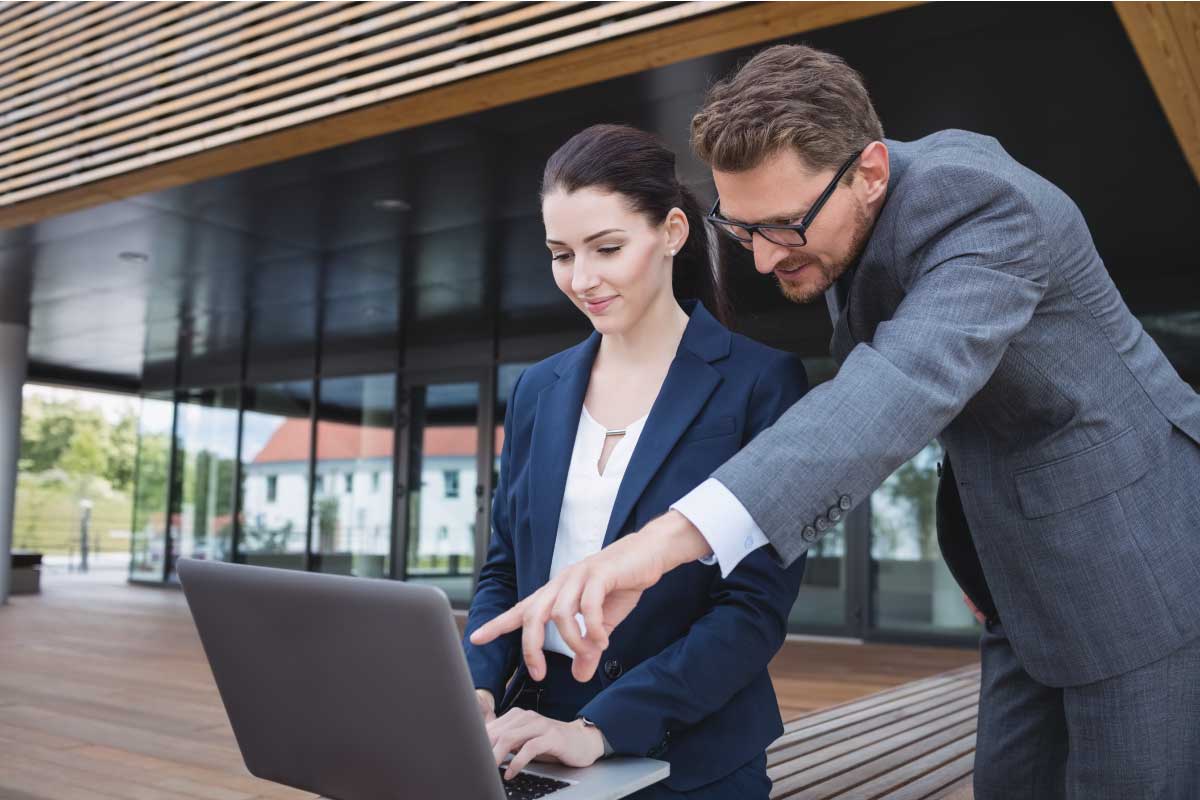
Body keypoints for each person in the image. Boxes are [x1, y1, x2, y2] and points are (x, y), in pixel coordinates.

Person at [472, 45, 1200, 798]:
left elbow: (897, 388)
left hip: (1139, 558)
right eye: (742, 228)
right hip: (1022, 587)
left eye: (782, 227)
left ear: (871, 172)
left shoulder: (985, 206)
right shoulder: (833, 222)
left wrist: (655, 547)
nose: (759, 259)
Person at [462, 123, 809, 798]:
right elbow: (506, 570)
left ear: (673, 231)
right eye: (560, 254)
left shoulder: (759, 383)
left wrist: (600, 729)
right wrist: (474, 690)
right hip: (532, 731)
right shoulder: (538, 390)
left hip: (692, 746)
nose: (581, 278)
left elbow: (753, 608)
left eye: (607, 247)